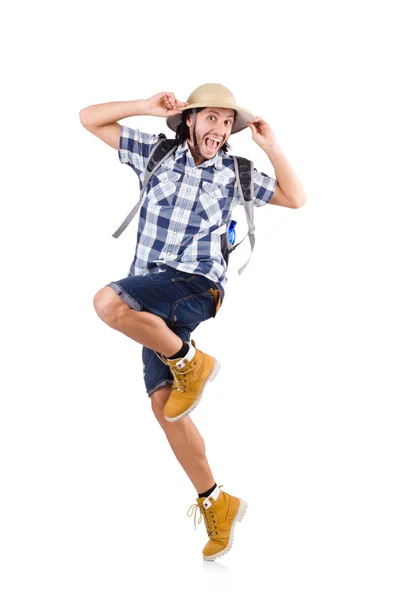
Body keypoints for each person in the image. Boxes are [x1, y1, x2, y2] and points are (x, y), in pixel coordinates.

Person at [79, 83, 307, 561]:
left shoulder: (237, 172)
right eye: (212, 119)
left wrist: (269, 145)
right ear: (191, 120)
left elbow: (295, 197)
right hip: (150, 295)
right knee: (166, 408)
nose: (220, 130)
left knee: (107, 303)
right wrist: (143, 107)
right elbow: (89, 118)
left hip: (197, 286)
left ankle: (190, 361)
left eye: (228, 123)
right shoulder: (157, 155)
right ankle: (215, 502)